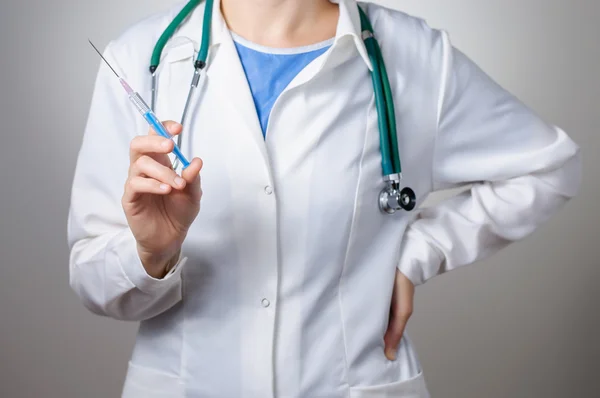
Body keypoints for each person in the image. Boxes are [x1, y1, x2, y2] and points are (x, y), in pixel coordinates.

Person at [67, 0, 582, 396]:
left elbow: (548, 166)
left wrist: (414, 255)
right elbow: (94, 280)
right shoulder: (143, 60)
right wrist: (152, 254)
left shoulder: (415, 58)